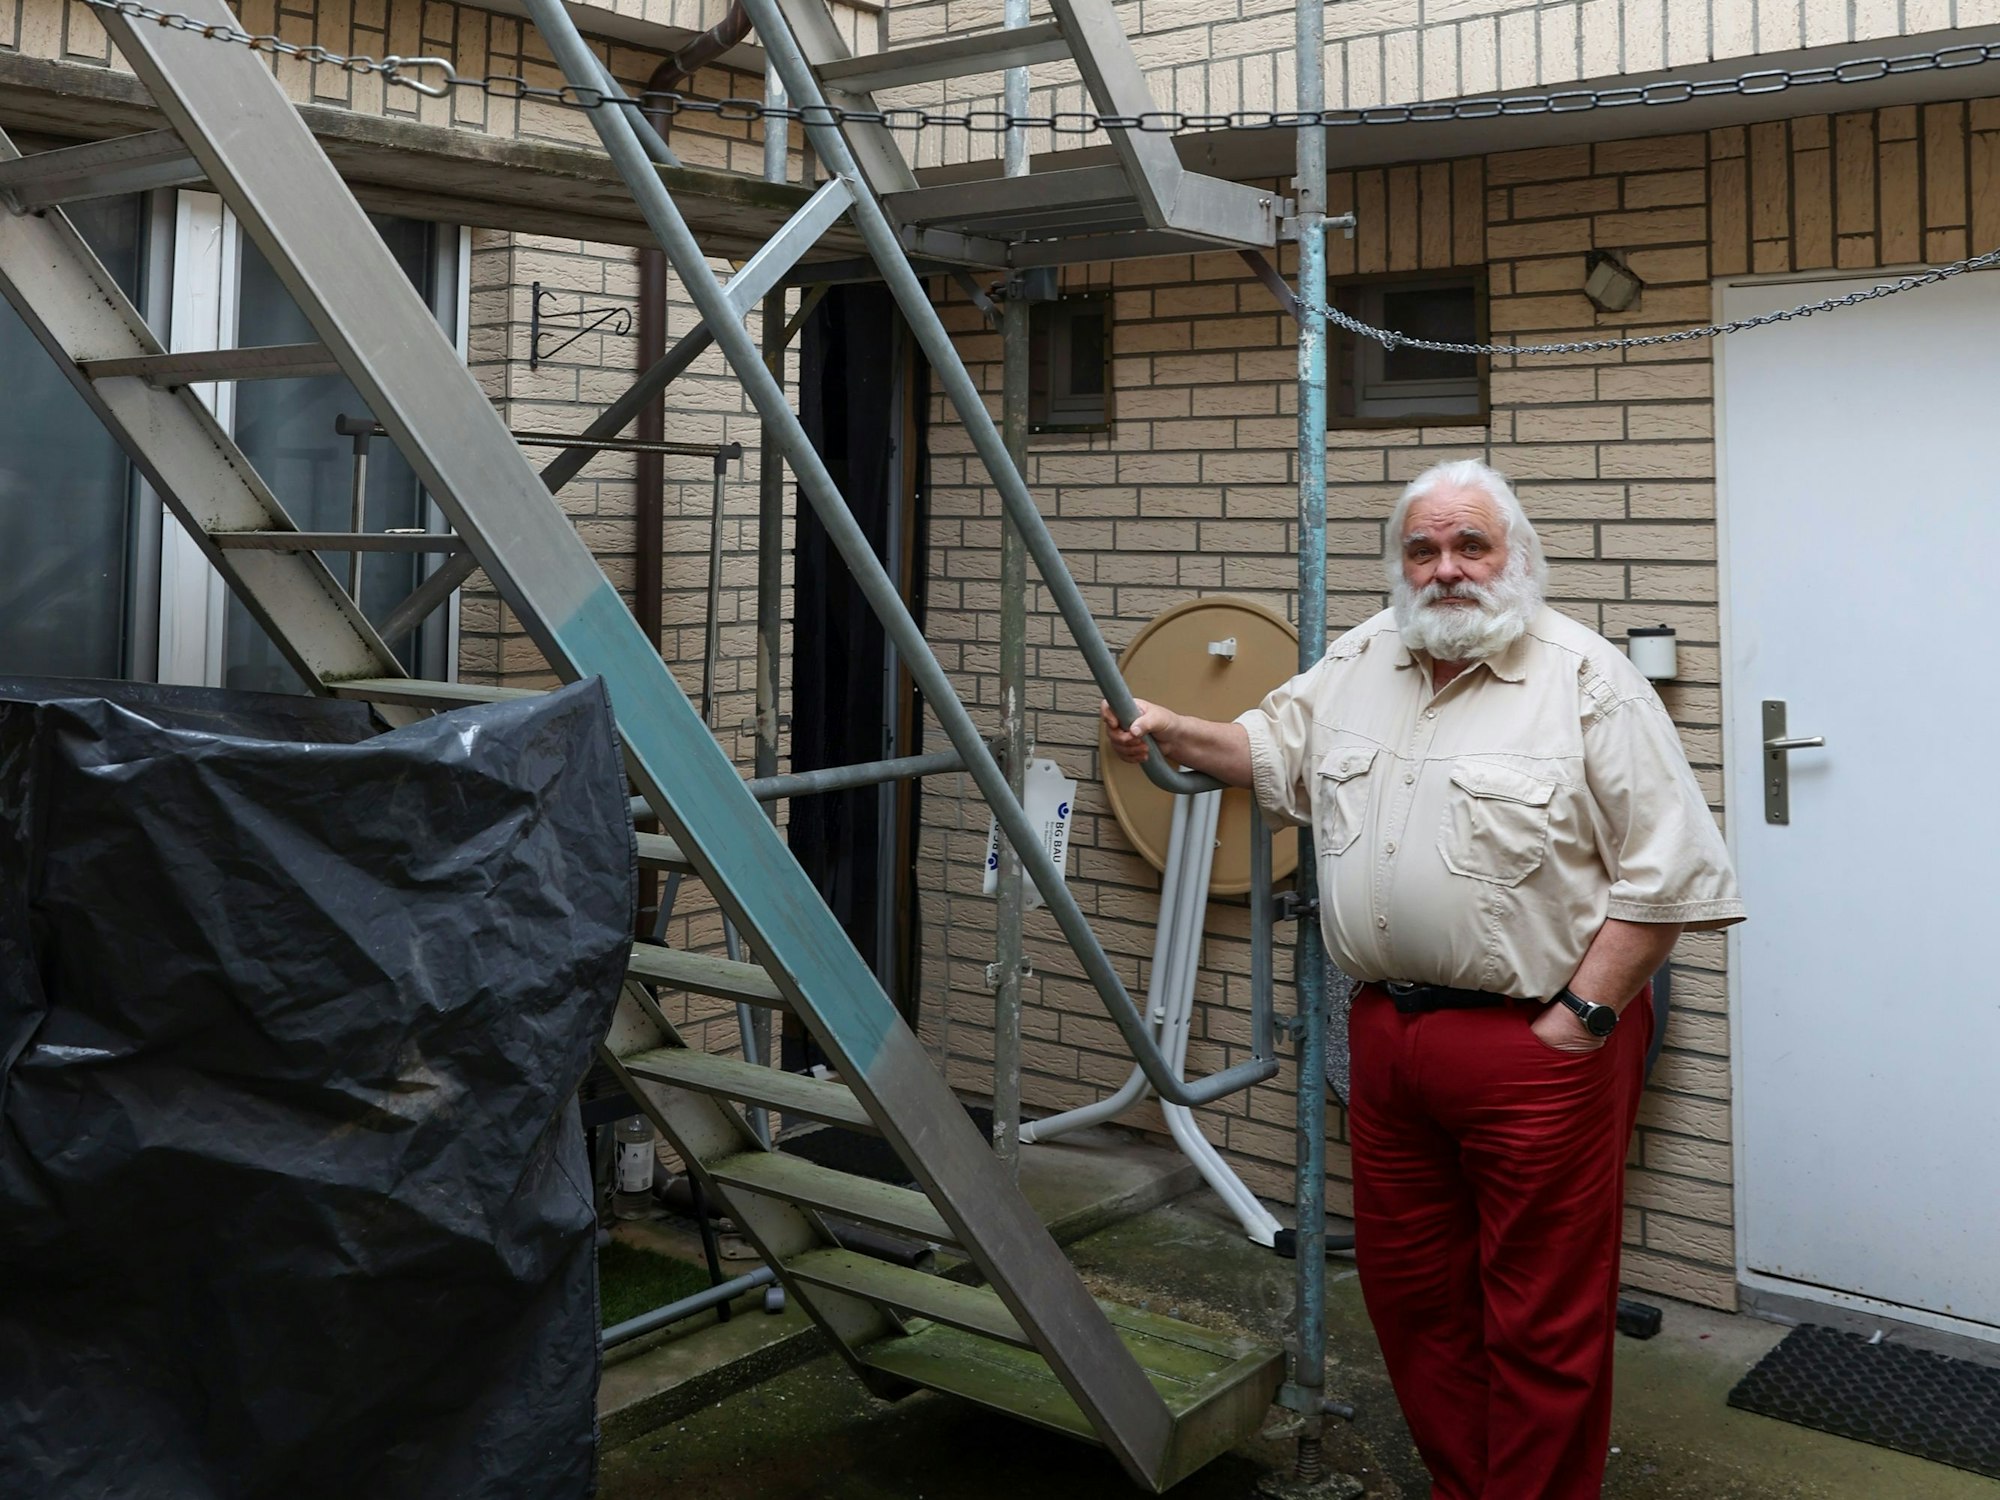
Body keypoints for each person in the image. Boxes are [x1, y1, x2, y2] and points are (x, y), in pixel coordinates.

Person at [1100, 458, 1744, 1500]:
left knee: (1540, 1317)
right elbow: (1269, 753)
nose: (1445, 570)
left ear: (1515, 559)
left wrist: (1583, 1016)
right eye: (1422, 550)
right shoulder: (1360, 658)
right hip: (1388, 1047)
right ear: (1398, 565)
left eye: (1468, 546)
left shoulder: (1584, 679)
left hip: (1535, 1047)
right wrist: (1172, 731)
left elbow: (1667, 874)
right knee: (1414, 1304)